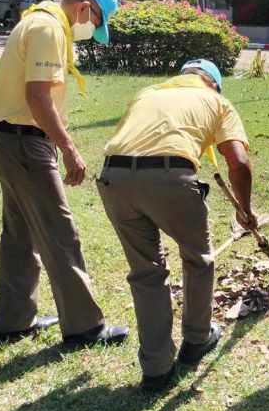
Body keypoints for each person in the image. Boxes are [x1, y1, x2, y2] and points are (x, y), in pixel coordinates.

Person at [0, 0, 129, 346]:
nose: (90, 30)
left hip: (8, 142)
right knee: (60, 234)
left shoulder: (37, 19)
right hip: (25, 144)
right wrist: (68, 148)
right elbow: (38, 97)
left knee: (20, 235)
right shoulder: (49, 27)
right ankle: (85, 328)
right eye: (95, 22)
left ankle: (13, 321)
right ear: (84, 8)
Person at [97, 59, 256, 391]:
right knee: (198, 259)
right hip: (170, 178)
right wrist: (244, 210)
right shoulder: (216, 100)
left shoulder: (147, 93)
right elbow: (239, 161)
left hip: (114, 179)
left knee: (146, 272)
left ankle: (156, 369)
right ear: (213, 84)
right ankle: (197, 339)